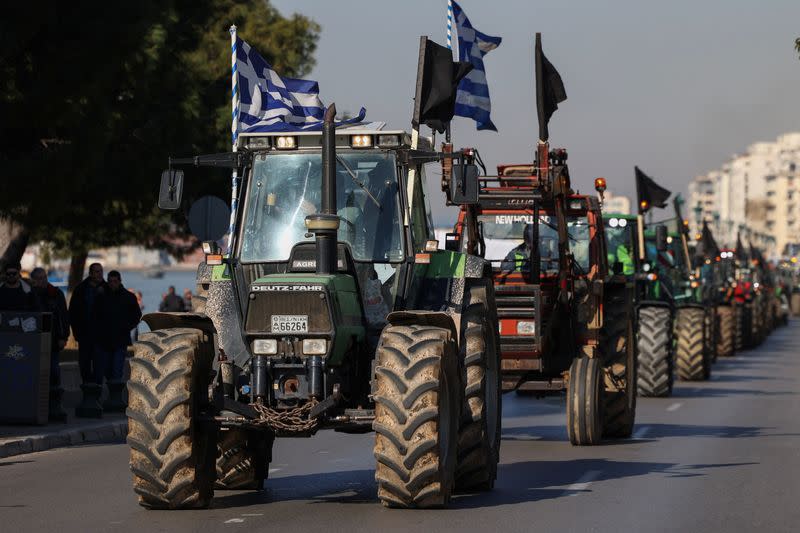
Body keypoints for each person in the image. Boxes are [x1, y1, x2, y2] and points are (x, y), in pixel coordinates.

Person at [93, 270, 142, 411]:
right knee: (104, 370)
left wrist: (127, 327)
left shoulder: (128, 297)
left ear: (120, 281)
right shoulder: (101, 296)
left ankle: (115, 399)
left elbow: (137, 315)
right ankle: (105, 399)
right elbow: (95, 316)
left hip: (120, 340)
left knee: (117, 370)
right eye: (110, 281)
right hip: (104, 340)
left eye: (115, 281)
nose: (113, 284)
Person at [30, 267, 69, 421]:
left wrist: (63, 337)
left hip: (53, 341)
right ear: (33, 280)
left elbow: (63, 317)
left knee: (54, 371)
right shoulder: (30, 294)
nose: (42, 281)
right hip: (33, 342)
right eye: (38, 279)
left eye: (43, 277)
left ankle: (55, 404)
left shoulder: (56, 293)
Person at [69, 262, 107, 386]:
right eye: (96, 271)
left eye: (101, 271)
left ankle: (97, 390)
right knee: (84, 364)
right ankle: (87, 388)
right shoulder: (81, 289)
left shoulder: (107, 289)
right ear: (90, 273)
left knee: (99, 366)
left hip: (101, 336)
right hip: (84, 334)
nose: (99, 274)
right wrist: (76, 333)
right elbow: (73, 312)